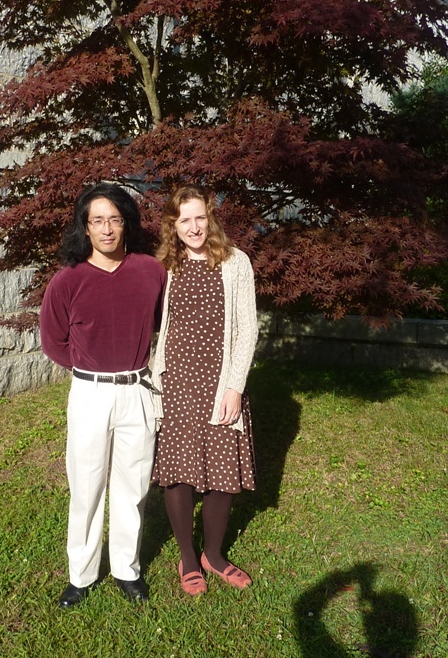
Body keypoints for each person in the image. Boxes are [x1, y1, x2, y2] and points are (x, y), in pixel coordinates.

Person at [39, 182, 167, 608]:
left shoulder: (152, 272)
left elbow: (165, 328)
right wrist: (88, 366)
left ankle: (126, 569)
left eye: (115, 219)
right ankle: (81, 574)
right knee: (87, 486)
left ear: (126, 224)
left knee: (133, 487)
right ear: (85, 229)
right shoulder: (67, 281)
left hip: (137, 390)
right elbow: (53, 342)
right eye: (98, 221)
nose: (107, 229)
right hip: (91, 393)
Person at [151, 185, 258, 596]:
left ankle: (214, 555)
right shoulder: (165, 265)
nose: (193, 227)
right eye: (184, 220)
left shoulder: (235, 262)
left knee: (222, 472)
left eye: (199, 218)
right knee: (177, 470)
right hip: (177, 380)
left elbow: (247, 329)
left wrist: (234, 386)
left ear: (210, 218)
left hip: (219, 380)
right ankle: (188, 558)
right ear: (173, 226)